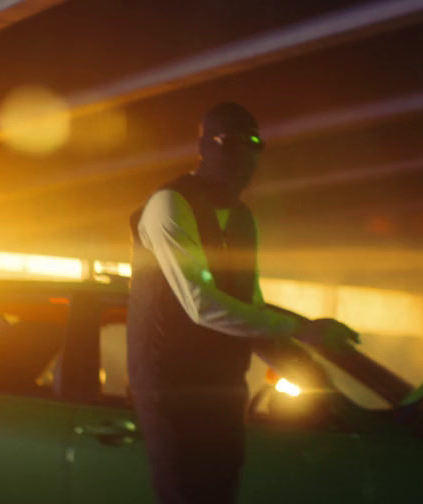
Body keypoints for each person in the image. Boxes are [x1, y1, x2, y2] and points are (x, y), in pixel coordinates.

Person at [127, 102, 357, 504]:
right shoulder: (169, 204)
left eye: (254, 146)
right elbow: (201, 304)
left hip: (223, 388)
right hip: (171, 388)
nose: (244, 157)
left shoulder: (242, 218)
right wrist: (302, 330)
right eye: (230, 143)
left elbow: (251, 306)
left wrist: (307, 360)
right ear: (202, 147)